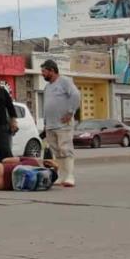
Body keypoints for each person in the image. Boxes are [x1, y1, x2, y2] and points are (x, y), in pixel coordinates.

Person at [40, 59, 81, 187]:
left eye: (44, 71)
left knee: (65, 149)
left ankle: (70, 176)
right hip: (51, 125)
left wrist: (70, 112)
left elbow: (76, 95)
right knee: (57, 151)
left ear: (52, 70)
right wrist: (45, 124)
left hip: (63, 124)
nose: (42, 74)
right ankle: (61, 176)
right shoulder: (47, 87)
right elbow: (47, 106)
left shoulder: (65, 81)